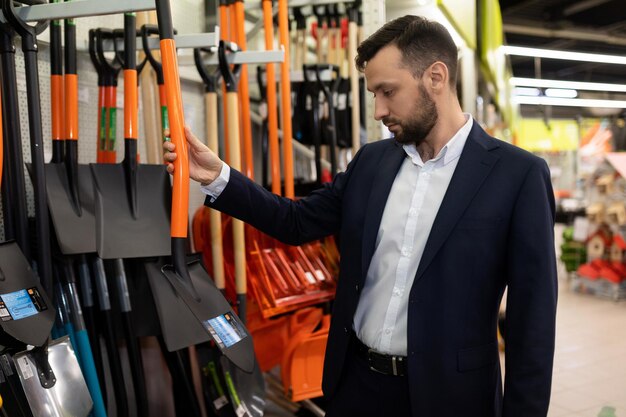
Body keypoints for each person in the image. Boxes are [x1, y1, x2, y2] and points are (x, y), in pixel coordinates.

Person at [164, 15, 557, 417]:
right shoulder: (372, 162)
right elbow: (296, 222)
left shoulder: (517, 176)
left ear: (436, 78)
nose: (378, 110)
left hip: (451, 397)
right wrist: (218, 177)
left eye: (388, 91)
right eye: (374, 94)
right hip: (357, 387)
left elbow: (533, 326)